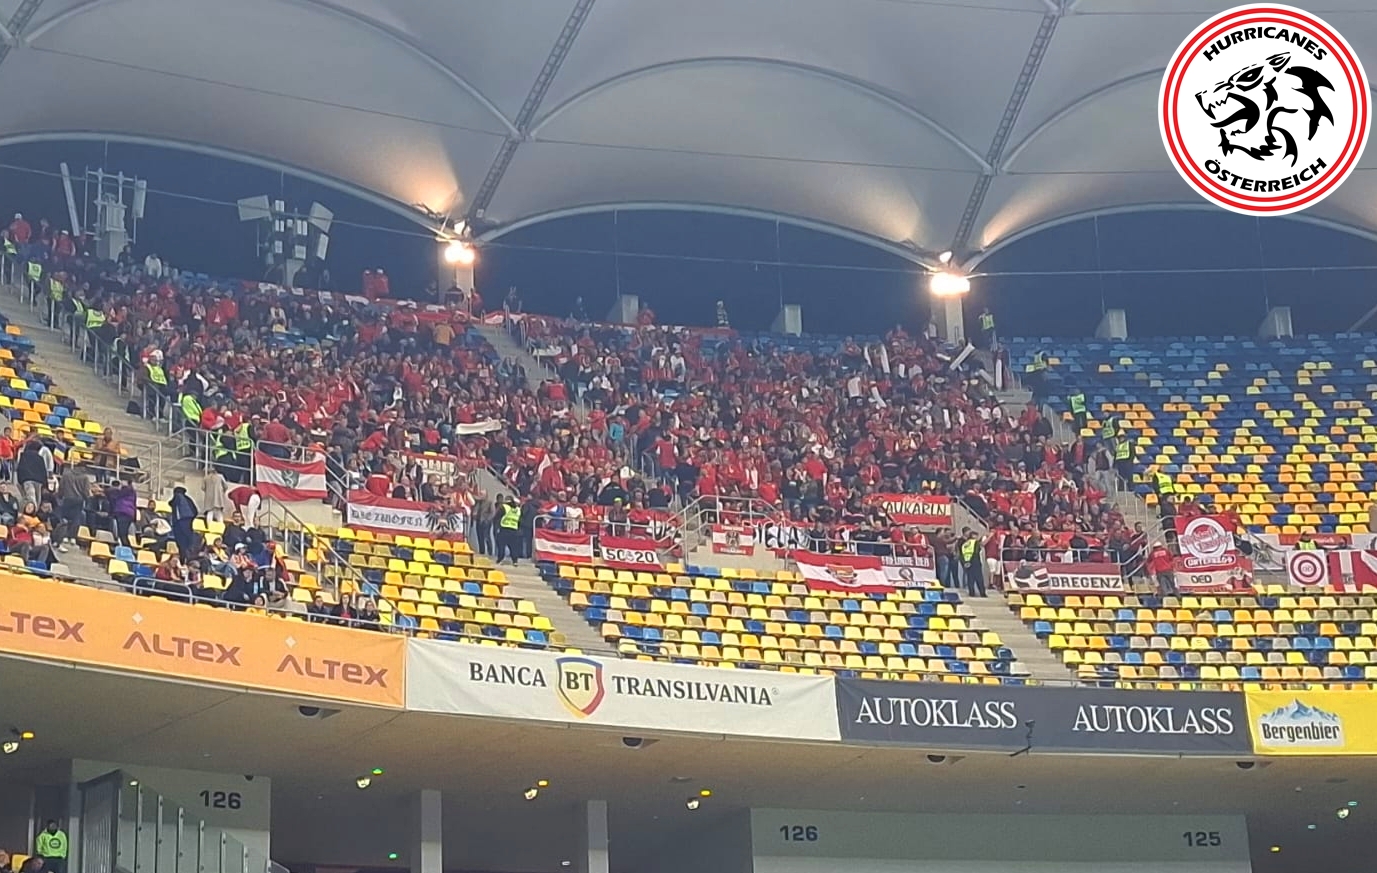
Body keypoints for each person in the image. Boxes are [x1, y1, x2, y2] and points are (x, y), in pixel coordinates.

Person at [53, 462, 90, 553]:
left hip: (67, 498)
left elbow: (61, 486)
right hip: (78, 500)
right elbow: (86, 491)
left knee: (65, 518)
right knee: (76, 519)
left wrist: (60, 496)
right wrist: (87, 499)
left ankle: (64, 536)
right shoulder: (85, 477)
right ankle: (72, 537)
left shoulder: (66, 475)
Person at [15, 437, 49, 507]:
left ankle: (30, 511)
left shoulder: (24, 456)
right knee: (38, 499)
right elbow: (43, 470)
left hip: (27, 479)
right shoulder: (40, 457)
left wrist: (20, 480)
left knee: (30, 498)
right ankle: (34, 511)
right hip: (38, 481)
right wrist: (45, 483)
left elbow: (20, 468)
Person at [168, 486, 200, 558]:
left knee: (181, 544)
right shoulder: (189, 499)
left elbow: (171, 503)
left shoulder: (178, 497)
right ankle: (187, 558)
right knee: (188, 543)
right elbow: (195, 511)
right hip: (188, 523)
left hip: (179, 524)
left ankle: (184, 559)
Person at [109, 479, 138, 547]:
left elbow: (113, 494)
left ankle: (128, 549)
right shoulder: (132, 492)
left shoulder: (125, 491)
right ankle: (127, 549)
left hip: (123, 513)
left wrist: (102, 490)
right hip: (129, 514)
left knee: (122, 534)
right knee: (123, 534)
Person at [960, 531, 986, 598]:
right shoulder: (975, 542)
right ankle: (982, 593)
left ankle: (971, 592)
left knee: (970, 579)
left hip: (967, 562)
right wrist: (971, 561)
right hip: (975, 562)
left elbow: (961, 554)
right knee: (979, 578)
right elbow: (976, 552)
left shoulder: (965, 544)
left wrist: (965, 562)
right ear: (973, 536)